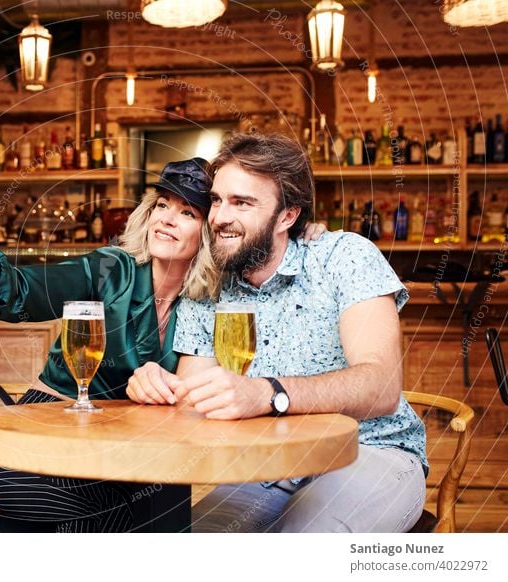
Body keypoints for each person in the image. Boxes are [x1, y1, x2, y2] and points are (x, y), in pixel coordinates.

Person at [0, 119, 326, 532]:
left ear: (212, 231)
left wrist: (304, 233)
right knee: (34, 489)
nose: (166, 218)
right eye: (162, 205)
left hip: (140, 455)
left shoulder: (217, 301)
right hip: (58, 431)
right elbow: (11, 289)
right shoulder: (111, 269)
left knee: (163, 490)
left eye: (187, 212)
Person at [127, 131, 428, 533]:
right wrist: (159, 387)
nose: (219, 217)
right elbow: (194, 399)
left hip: (370, 451)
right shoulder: (210, 285)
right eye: (217, 200)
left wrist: (269, 394)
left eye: (242, 203)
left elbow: (380, 387)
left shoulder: (344, 257)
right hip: (268, 468)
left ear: (288, 215)